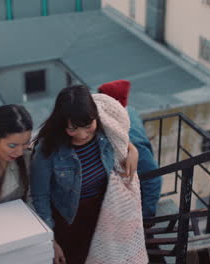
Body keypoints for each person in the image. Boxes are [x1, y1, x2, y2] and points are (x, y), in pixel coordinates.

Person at [30, 85, 139, 264]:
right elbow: (40, 197)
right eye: (72, 129)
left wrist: (133, 150)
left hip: (104, 211)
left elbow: (122, 139)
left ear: (95, 116)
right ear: (62, 123)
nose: (81, 135)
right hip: (69, 221)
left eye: (87, 127)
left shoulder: (105, 131)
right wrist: (51, 239)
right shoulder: (47, 150)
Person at [98, 80, 162, 219]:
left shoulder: (130, 137)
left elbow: (154, 179)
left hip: (131, 202)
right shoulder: (130, 111)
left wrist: (146, 217)